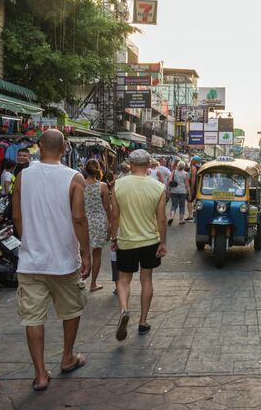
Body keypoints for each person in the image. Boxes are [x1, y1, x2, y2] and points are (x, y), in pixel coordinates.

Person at [11, 129, 91, 391]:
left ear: (38, 147)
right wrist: (87, 252)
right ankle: (67, 357)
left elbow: (17, 217)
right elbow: (79, 219)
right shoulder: (74, 178)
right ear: (65, 148)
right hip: (64, 260)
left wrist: (30, 241)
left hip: (31, 261)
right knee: (71, 309)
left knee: (33, 318)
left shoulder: (23, 176)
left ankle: (40, 374)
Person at [110, 149, 167, 341]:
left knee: (123, 279)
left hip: (127, 240)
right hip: (150, 240)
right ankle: (143, 321)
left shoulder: (118, 185)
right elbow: (161, 218)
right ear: (149, 165)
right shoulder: (158, 187)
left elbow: (115, 215)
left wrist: (113, 237)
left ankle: (124, 310)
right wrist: (163, 242)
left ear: (131, 164)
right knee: (146, 279)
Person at [83, 159, 113, 292]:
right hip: (99, 221)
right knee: (97, 254)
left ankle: (80, 281)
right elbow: (107, 207)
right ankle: (93, 283)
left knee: (81, 253)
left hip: (82, 221)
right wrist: (110, 224)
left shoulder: (79, 184)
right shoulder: (103, 186)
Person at [168, 161, 191, 225]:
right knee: (182, 206)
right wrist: (189, 194)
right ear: (184, 167)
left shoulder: (174, 172)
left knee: (173, 205)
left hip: (174, 191)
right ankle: (181, 220)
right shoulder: (185, 174)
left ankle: (171, 217)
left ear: (178, 166)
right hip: (182, 192)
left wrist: (169, 189)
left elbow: (169, 180)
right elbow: (187, 184)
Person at [186, 156, 201, 222]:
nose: (191, 160)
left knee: (189, 200)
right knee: (197, 201)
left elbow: (193, 178)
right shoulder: (200, 167)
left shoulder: (193, 167)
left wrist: (192, 187)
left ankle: (190, 216)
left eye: (192, 159)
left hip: (194, 186)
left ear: (194, 160)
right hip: (199, 186)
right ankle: (196, 216)